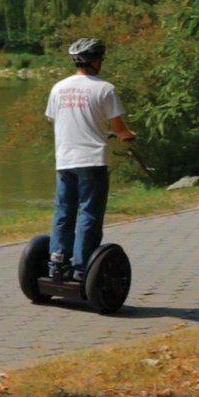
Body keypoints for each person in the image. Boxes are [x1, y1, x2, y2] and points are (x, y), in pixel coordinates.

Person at [45, 37, 136, 282]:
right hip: (92, 161)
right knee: (89, 214)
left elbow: (55, 119)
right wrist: (128, 135)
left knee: (64, 212)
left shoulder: (58, 88)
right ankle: (81, 268)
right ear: (95, 61)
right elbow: (119, 128)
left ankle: (57, 264)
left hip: (65, 161)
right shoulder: (105, 89)